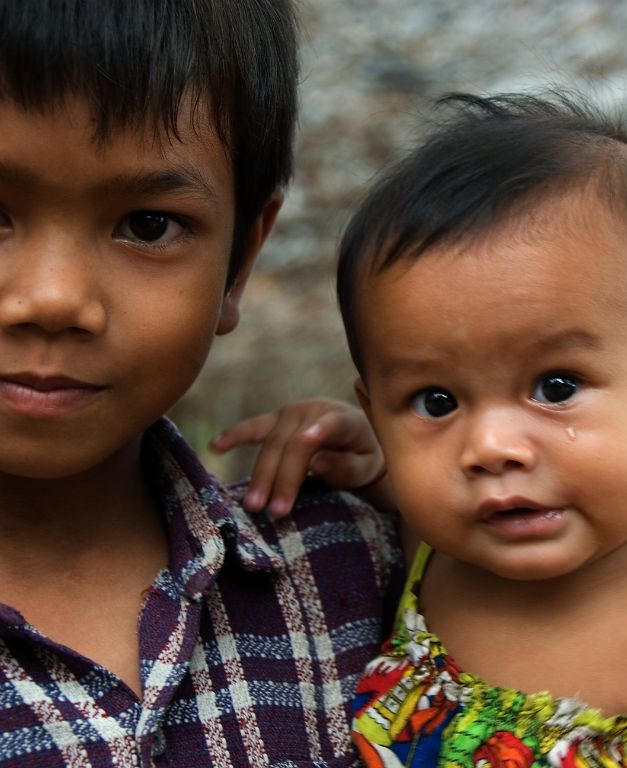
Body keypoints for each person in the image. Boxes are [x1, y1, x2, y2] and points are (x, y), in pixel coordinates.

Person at [217, 92, 627, 766]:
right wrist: (369, 457)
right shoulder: (435, 553)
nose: (488, 448)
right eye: (435, 401)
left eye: (556, 388)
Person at [0, 2, 404, 765]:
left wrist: (423, 488)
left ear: (240, 263)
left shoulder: (350, 563)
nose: (53, 299)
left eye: (148, 225)